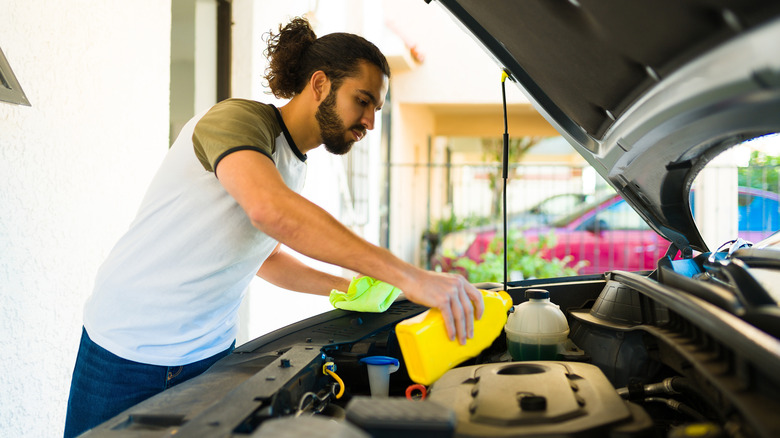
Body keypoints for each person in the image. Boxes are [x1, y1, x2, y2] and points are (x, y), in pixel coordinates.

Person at [63, 17, 483, 437]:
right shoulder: (236, 120)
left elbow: (266, 257)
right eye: (363, 100)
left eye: (377, 109)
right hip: (125, 351)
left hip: (209, 354)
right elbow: (270, 210)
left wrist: (344, 287)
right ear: (320, 85)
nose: (371, 122)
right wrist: (408, 276)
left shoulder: (294, 165)